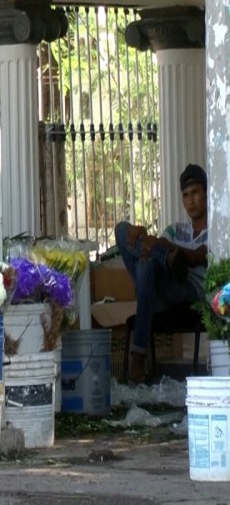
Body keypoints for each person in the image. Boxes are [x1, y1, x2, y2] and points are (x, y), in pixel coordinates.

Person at [114, 163, 208, 384]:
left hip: (189, 290)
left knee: (148, 263)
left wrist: (166, 246)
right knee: (122, 232)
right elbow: (155, 243)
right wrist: (145, 235)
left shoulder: (216, 230)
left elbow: (199, 255)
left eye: (195, 193)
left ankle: (138, 356)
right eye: (186, 195)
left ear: (206, 193)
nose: (191, 200)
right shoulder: (177, 229)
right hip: (156, 291)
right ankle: (167, 260)